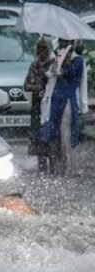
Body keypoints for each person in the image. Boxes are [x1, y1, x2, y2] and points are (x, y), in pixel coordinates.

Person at [41, 39, 89, 176]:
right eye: (61, 41)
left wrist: (59, 68)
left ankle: (69, 165)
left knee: (66, 133)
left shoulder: (78, 60)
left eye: (65, 42)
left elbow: (70, 74)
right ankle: (58, 165)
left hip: (68, 99)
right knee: (54, 132)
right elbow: (50, 74)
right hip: (56, 99)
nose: (62, 44)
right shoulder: (58, 56)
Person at [23, 38, 53, 172]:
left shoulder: (53, 64)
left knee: (49, 132)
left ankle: (53, 164)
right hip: (37, 104)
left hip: (49, 103)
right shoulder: (34, 65)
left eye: (44, 48)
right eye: (39, 48)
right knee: (37, 133)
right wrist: (39, 87)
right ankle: (41, 165)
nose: (41, 51)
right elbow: (26, 85)